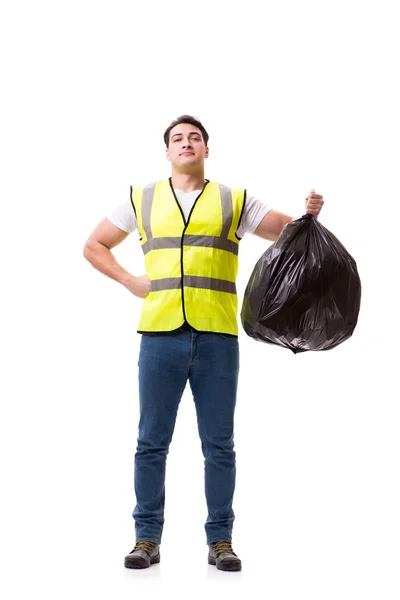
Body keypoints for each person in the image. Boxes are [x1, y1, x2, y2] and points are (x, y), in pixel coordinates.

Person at [83, 115, 324, 571]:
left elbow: (288, 234)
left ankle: (221, 541)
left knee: (219, 445)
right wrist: (129, 280)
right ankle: (146, 539)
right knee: (150, 443)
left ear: (207, 150)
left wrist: (308, 217)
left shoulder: (234, 200)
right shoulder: (142, 197)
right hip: (159, 336)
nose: (186, 143)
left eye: (195, 137)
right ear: (168, 151)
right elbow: (94, 244)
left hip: (216, 338)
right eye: (178, 138)